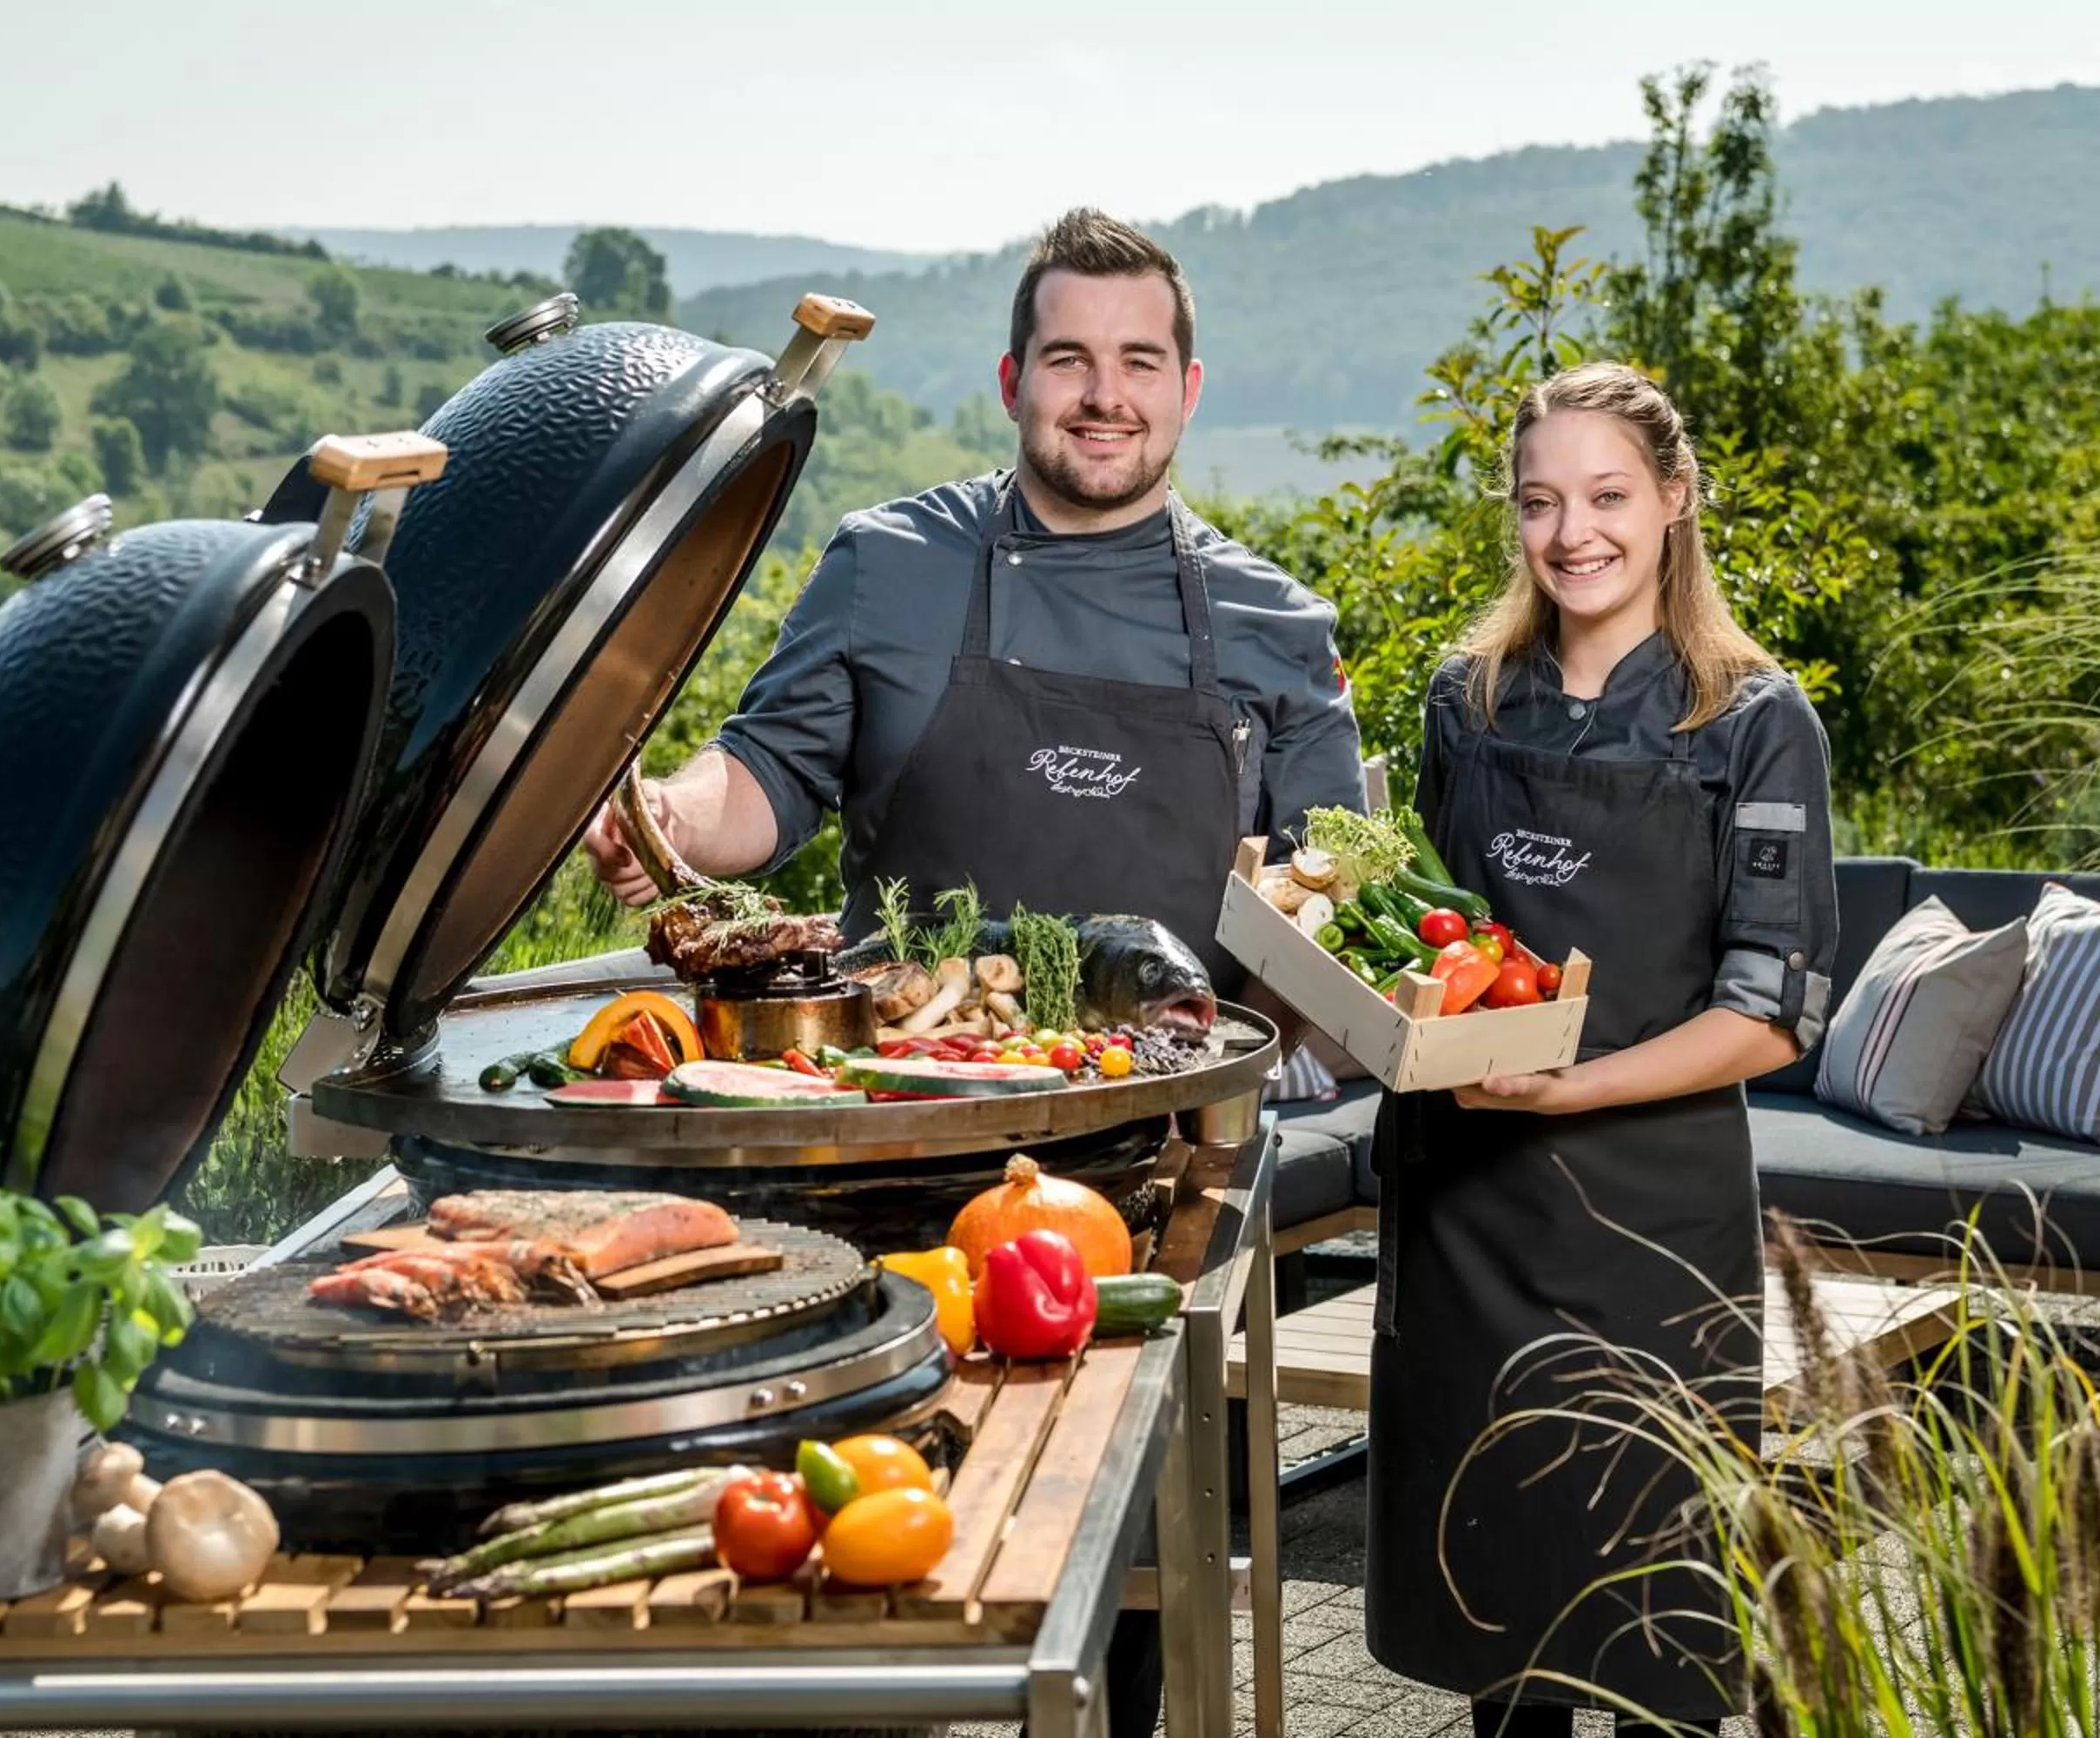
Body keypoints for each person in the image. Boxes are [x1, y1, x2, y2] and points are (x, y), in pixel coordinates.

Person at [584, 206, 1366, 1738]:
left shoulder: (1275, 623)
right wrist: (666, 819)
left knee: (1137, 1556)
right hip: (894, 1147)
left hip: (1164, 1166)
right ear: (1015, 377)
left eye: (1140, 360)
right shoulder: (893, 568)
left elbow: (1331, 893)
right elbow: (758, 781)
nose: (1104, 393)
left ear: (1190, 389)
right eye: (1070, 357)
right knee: (880, 1527)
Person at [1362, 361, 1840, 1736]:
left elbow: (1772, 1011)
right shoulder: (1471, 698)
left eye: (1609, 495)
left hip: (1646, 1232)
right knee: (1498, 1620)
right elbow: (1436, 938)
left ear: (1676, 500)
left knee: (1656, 1625)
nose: (1574, 532)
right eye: (1540, 501)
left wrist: (1571, 1087)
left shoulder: (1754, 722)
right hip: (1464, 1216)